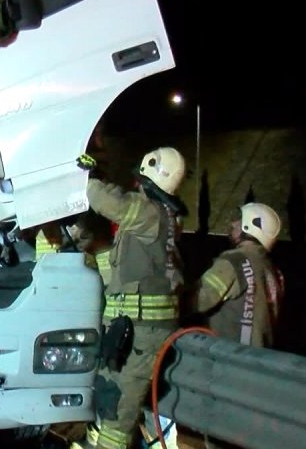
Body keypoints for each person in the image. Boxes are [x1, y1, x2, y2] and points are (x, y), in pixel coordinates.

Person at [72, 147, 186, 449]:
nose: (134, 185)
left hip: (142, 332)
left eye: (138, 181)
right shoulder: (159, 218)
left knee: (118, 417)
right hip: (132, 328)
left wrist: (88, 177)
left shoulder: (149, 213)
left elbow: (108, 201)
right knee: (108, 398)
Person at [193, 203, 285, 348]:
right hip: (261, 359)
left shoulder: (234, 261)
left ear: (249, 228)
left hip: (228, 357)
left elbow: (199, 301)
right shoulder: (272, 270)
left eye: (240, 221)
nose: (233, 223)